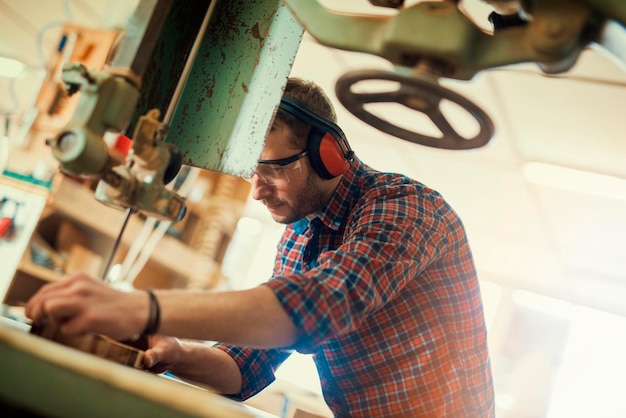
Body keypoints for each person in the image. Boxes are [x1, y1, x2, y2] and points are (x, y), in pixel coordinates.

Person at [25, 77, 495, 417]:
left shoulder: (404, 207)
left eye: (271, 169)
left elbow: (319, 305)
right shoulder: (299, 235)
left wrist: (139, 308)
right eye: (251, 172)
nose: (257, 190)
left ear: (328, 152)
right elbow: (247, 366)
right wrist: (178, 353)